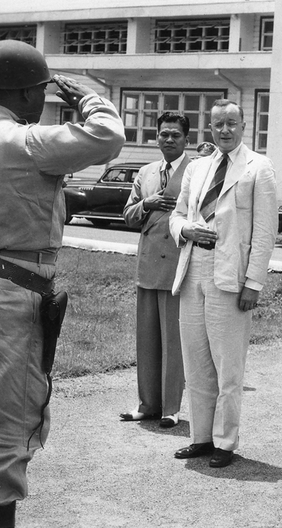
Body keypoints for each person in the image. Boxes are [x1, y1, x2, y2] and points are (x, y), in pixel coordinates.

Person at [0, 40, 124, 528]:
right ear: (27, 92)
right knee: (7, 422)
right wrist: (88, 99)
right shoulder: (24, 141)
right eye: (41, 92)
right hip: (7, 296)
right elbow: (107, 137)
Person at [168, 100, 277, 468]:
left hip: (230, 275)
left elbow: (264, 233)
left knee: (228, 366)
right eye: (218, 125)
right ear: (209, 128)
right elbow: (178, 213)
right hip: (193, 268)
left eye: (232, 123)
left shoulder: (258, 168)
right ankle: (200, 437)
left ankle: (225, 442)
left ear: (244, 125)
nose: (225, 130)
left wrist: (254, 284)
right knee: (196, 361)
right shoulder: (197, 167)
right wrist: (184, 229)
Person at [120, 112, 192, 428]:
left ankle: (171, 409)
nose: (168, 139)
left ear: (186, 139)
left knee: (173, 341)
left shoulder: (196, 171)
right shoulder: (146, 172)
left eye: (175, 134)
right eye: (163, 134)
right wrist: (146, 204)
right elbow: (128, 216)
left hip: (178, 266)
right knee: (147, 340)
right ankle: (148, 404)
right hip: (148, 265)